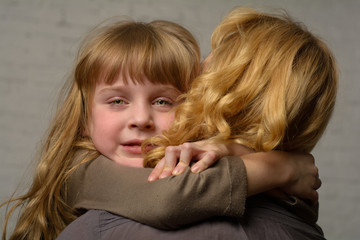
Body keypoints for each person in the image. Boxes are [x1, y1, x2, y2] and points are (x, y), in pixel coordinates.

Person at [1, 17, 317, 240]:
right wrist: (281, 168)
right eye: (117, 101)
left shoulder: (192, 159)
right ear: (84, 120)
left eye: (164, 102)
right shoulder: (81, 167)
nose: (141, 119)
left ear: (194, 111)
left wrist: (238, 150)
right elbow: (168, 199)